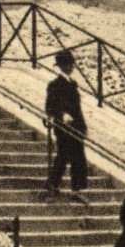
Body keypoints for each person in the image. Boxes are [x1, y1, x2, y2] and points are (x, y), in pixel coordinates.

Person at [45, 50, 88, 194]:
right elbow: (50, 106)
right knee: (63, 154)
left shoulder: (73, 84)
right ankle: (53, 183)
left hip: (75, 126)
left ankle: (76, 189)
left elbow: (77, 107)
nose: (71, 67)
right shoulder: (54, 84)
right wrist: (61, 116)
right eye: (68, 64)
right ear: (61, 66)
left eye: (71, 64)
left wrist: (82, 125)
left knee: (78, 157)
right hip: (63, 127)